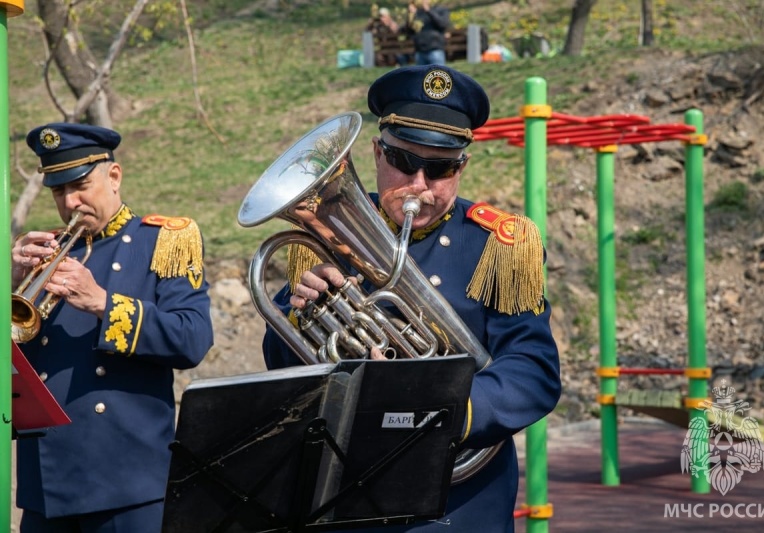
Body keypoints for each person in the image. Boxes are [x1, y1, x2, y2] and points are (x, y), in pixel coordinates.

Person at [262, 65, 561, 532]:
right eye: (404, 162)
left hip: (459, 501)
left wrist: (446, 404)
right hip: (349, 495)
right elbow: (285, 373)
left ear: (462, 166)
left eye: (440, 167)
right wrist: (300, 316)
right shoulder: (322, 240)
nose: (419, 184)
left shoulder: (498, 245)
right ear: (378, 153)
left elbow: (533, 371)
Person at [12, 122, 214, 531]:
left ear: (114, 177)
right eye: (58, 190)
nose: (71, 202)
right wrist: (8, 281)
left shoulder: (163, 241)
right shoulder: (37, 256)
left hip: (128, 485)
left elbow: (192, 339)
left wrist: (103, 303)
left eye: (81, 185)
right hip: (47, 489)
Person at [404, 0, 451, 65]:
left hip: (435, 50)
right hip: (420, 51)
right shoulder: (418, 12)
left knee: (437, 73)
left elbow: (442, 24)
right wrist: (411, 15)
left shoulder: (441, 10)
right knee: (422, 75)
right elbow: (409, 31)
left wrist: (429, 11)